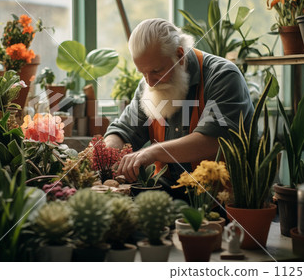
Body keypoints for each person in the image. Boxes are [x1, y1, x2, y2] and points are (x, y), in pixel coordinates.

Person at [104, 18, 253, 197]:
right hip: (169, 196)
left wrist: (153, 152)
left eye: (156, 71)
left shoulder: (223, 76)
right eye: (143, 73)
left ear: (180, 56)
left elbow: (213, 139)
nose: (149, 82)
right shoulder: (150, 82)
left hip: (221, 201)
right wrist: (107, 154)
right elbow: (123, 130)